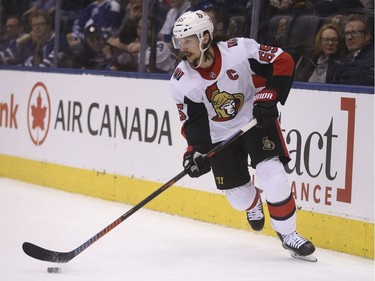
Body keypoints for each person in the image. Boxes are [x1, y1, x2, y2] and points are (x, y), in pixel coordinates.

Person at [169, 10, 316, 260]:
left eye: (188, 41)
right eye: (179, 42)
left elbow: (283, 61)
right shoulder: (183, 80)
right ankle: (253, 204)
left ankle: (288, 235)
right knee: (239, 199)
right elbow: (193, 122)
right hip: (220, 136)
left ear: (205, 38)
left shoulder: (239, 50)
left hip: (255, 121)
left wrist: (270, 94)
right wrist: (195, 151)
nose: (182, 48)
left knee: (274, 177)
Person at [334, 14, 374, 86]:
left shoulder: (371, 59)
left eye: (354, 33)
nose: (349, 37)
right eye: (347, 33)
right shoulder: (344, 57)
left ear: (367, 36)